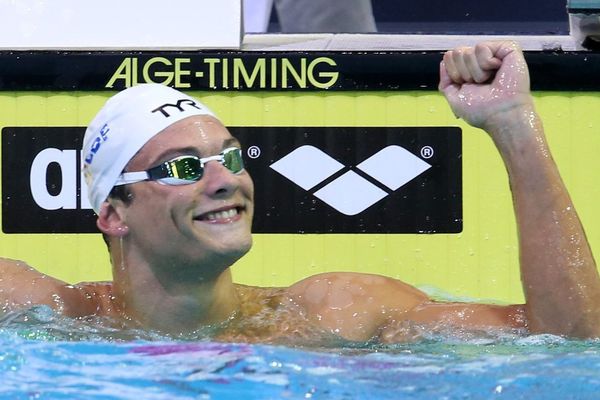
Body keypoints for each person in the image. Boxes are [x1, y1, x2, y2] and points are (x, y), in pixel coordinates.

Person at [1, 41, 599, 343]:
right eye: (184, 167)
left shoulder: (328, 315)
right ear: (113, 213)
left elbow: (572, 339)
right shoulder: (52, 316)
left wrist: (514, 124)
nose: (225, 179)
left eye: (231, 157)